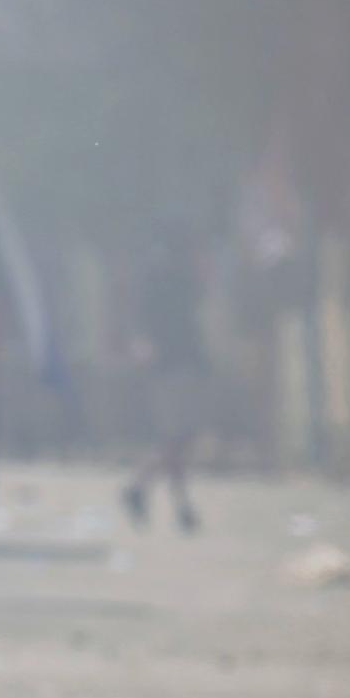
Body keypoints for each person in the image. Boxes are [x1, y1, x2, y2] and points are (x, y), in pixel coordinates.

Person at [120, 226, 217, 532]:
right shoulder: (175, 279)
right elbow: (184, 326)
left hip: (168, 366)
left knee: (176, 438)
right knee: (177, 437)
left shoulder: (159, 276)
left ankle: (169, 501)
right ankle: (150, 492)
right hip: (176, 368)